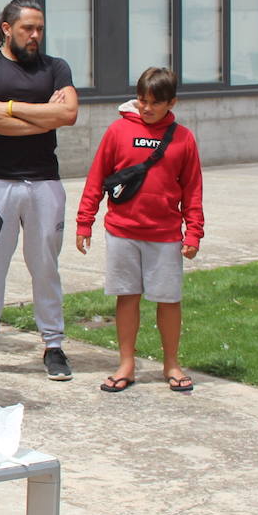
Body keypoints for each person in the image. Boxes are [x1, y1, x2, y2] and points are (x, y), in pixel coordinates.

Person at [0, 0, 79, 381]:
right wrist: (42, 116)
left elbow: (69, 114)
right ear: (7, 28)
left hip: (45, 182)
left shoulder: (56, 68)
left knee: (45, 266)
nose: (36, 35)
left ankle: (54, 346)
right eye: (28, 28)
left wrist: (6, 108)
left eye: (40, 28)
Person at [76, 66, 203, 393]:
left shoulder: (184, 139)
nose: (145, 108)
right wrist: (84, 221)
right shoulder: (118, 131)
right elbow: (96, 179)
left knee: (169, 299)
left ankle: (171, 363)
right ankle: (126, 363)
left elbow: (193, 190)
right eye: (141, 100)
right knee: (127, 296)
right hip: (122, 232)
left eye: (154, 103)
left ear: (171, 102)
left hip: (165, 235)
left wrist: (194, 233)